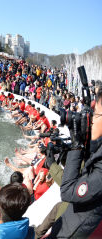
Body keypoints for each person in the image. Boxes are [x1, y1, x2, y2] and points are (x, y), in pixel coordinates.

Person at [44, 88, 102, 238]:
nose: (91, 120)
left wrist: (76, 146)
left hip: (71, 230)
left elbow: (68, 191)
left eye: (95, 114)